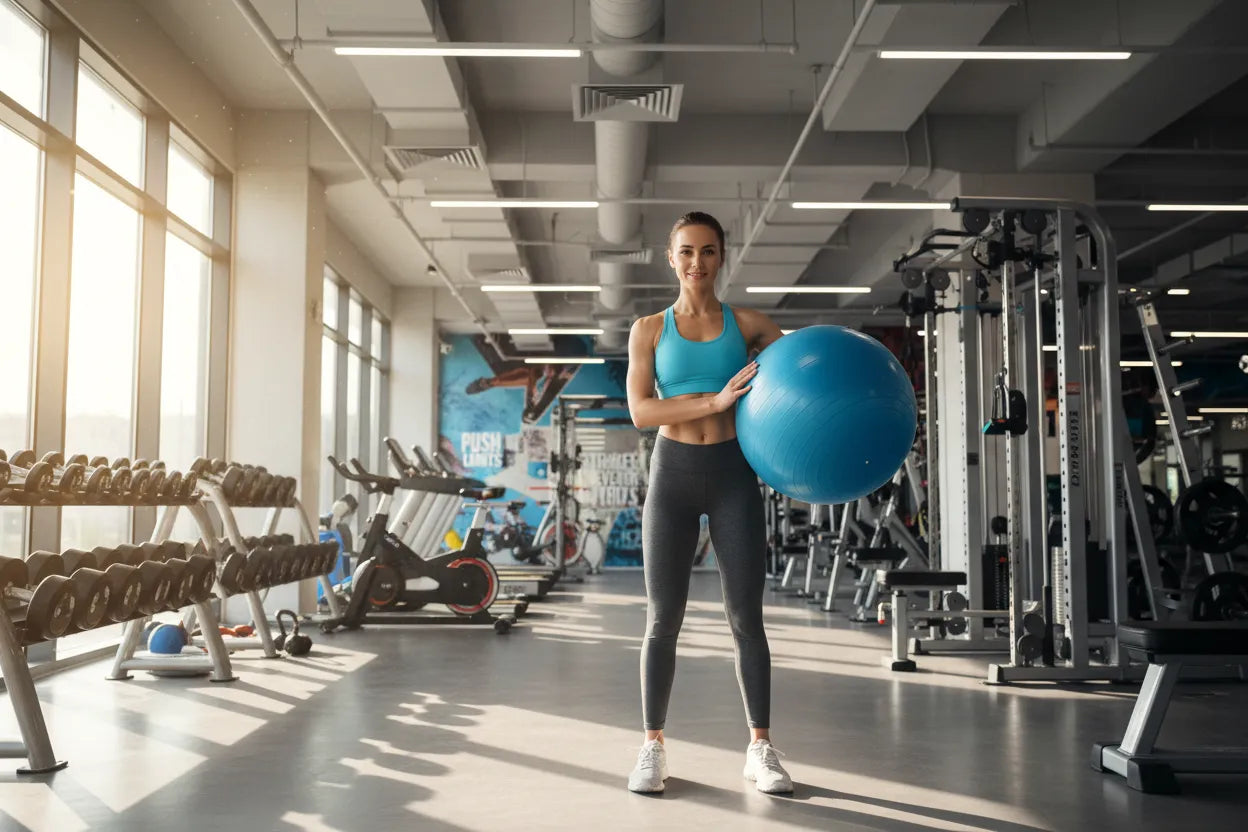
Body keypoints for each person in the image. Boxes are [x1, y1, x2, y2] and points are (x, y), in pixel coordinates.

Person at [624, 211, 792, 795]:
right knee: (662, 619)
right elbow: (642, 411)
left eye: (709, 251)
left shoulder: (749, 325)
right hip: (672, 474)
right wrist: (716, 401)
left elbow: (796, 383)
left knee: (746, 617)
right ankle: (652, 746)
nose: (697, 262)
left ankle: (761, 748)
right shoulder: (648, 329)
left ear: (722, 256)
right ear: (671, 258)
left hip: (732, 475)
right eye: (687, 251)